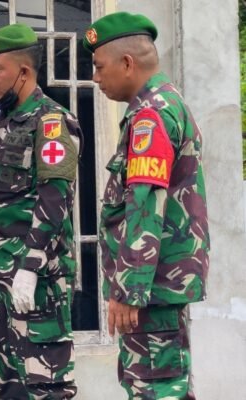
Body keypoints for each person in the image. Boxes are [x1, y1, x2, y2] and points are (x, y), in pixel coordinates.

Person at [84, 12, 210, 399]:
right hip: (158, 287)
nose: (95, 77)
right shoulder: (159, 106)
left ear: (127, 63)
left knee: (156, 389)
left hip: (152, 289)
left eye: (99, 66)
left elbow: (144, 204)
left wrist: (127, 289)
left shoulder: (150, 116)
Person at [0, 24, 82, 399]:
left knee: (45, 388)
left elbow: (55, 199)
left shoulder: (51, 122)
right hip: (1, 284)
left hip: (38, 284)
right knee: (11, 387)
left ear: (24, 72)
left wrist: (30, 266)